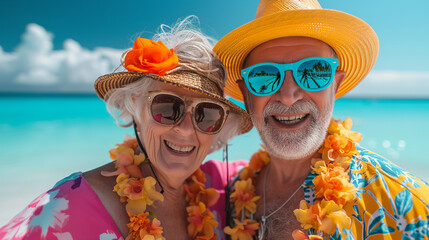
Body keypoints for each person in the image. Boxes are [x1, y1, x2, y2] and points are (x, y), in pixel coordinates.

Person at [0, 17, 252, 240]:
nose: (186, 129)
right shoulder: (66, 206)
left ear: (218, 127)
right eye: (167, 107)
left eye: (206, 114)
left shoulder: (221, 189)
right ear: (136, 106)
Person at [214, 0, 429, 239]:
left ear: (335, 85)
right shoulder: (232, 197)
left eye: (314, 71)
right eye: (264, 76)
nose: (287, 96)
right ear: (246, 94)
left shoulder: (407, 205)